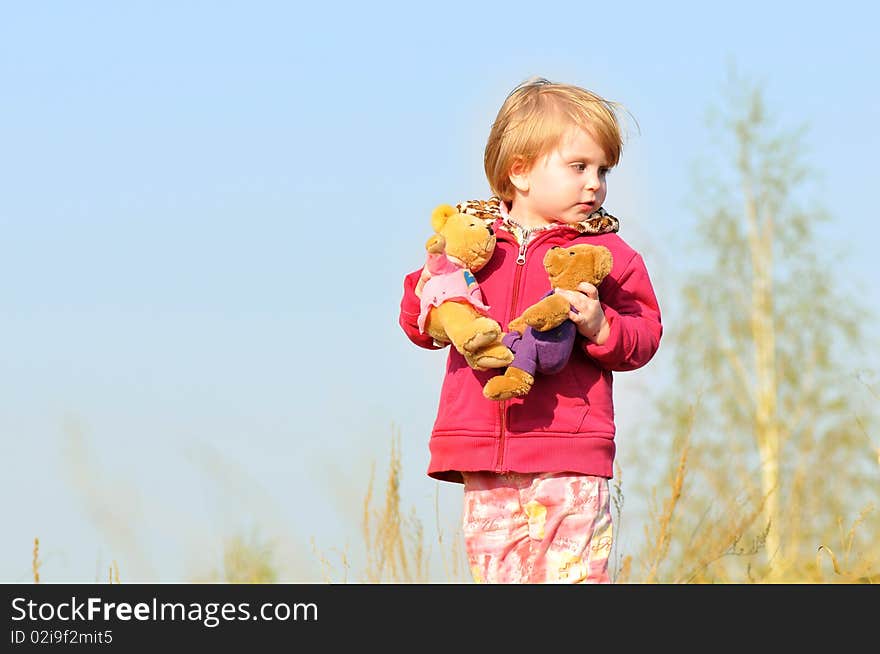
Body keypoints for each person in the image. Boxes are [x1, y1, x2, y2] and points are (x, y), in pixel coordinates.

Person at [398, 77, 662, 583]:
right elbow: (418, 319)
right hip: (482, 451)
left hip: (570, 453)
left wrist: (600, 325)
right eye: (578, 166)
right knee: (500, 579)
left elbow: (645, 333)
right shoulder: (471, 245)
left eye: (602, 170)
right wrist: (432, 293)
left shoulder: (607, 257)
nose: (595, 183)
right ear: (519, 172)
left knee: (574, 577)